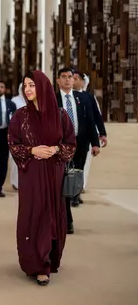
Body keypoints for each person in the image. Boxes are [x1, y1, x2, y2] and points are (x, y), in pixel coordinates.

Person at [8, 70, 76, 286]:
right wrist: (31, 151)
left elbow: (71, 144)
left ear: (43, 87)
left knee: (52, 215)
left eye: (31, 85)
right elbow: (13, 143)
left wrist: (56, 149)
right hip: (31, 175)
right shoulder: (20, 116)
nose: (27, 89)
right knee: (34, 214)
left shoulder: (60, 115)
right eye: (25, 85)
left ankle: (46, 262)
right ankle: (35, 263)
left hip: (53, 174)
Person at [55, 68, 100, 234]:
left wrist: (95, 143)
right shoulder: (53, 99)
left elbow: (90, 122)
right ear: (58, 80)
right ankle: (67, 220)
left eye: (70, 77)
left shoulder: (82, 99)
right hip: (59, 147)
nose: (67, 80)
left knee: (72, 180)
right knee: (63, 181)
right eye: (64, 77)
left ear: (74, 81)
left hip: (79, 145)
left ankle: (65, 214)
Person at [72, 71, 108, 191]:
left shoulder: (89, 98)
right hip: (68, 138)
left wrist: (101, 134)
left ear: (83, 82)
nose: (72, 80)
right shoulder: (65, 97)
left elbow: (95, 118)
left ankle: (77, 189)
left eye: (76, 78)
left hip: (84, 138)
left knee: (81, 165)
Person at [9, 83, 27, 190]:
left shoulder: (35, 100)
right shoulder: (15, 101)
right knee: (15, 159)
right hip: (17, 134)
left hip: (30, 135)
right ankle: (15, 182)